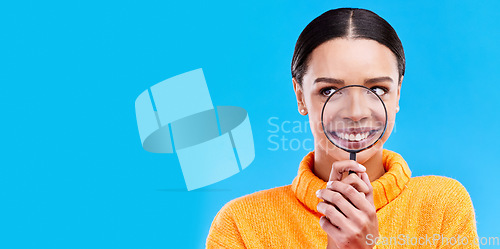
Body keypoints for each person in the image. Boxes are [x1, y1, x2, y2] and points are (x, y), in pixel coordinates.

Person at [206, 8, 478, 249]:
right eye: (329, 90)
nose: (356, 112)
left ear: (397, 94)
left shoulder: (442, 208)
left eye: (377, 89)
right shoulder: (240, 226)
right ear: (300, 96)